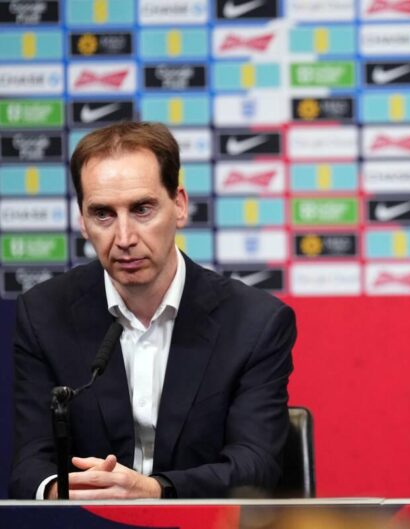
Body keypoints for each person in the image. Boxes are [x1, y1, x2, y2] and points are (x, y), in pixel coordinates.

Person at [9, 122, 296, 499]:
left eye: (142, 209)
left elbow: (254, 465)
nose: (125, 238)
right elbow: (30, 464)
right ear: (82, 220)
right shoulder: (44, 315)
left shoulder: (254, 322)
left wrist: (153, 490)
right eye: (103, 214)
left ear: (178, 204)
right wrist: (60, 492)